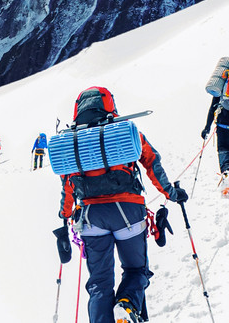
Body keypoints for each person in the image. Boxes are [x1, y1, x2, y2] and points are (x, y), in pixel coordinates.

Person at [58, 87, 187, 323]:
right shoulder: (124, 131)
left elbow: (68, 184)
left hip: (91, 217)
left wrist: (64, 214)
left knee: (99, 283)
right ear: (109, 105)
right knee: (137, 270)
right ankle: (126, 306)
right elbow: (151, 161)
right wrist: (171, 192)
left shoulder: (72, 142)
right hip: (128, 211)